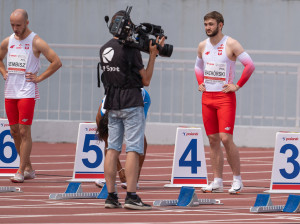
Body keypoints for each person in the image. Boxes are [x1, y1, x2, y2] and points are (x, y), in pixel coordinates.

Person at [100, 10, 164, 210]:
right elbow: (145, 80)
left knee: (112, 149)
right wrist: (153, 56)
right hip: (131, 101)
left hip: (112, 102)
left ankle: (111, 197)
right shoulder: (131, 50)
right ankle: (131, 196)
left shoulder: (104, 48)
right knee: (134, 149)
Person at [194, 11, 255, 194]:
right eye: (205, 24)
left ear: (220, 25)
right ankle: (217, 181)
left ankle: (237, 180)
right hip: (207, 98)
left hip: (224, 97)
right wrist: (200, 82)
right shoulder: (202, 45)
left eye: (211, 24)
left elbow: (250, 65)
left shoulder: (231, 43)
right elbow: (198, 66)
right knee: (213, 140)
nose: (208, 28)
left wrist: (237, 86)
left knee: (226, 138)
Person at [0, 9, 62, 183]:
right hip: (10, 91)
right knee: (13, 131)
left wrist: (39, 78)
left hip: (26, 91)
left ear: (27, 23)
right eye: (12, 24)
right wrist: (4, 71)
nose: (15, 28)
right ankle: (28, 168)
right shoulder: (8, 41)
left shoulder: (36, 41)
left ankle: (20, 170)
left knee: (23, 130)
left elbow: (56, 61)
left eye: (18, 25)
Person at [94, 88, 151, 189]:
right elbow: (108, 145)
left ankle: (134, 179)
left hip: (138, 101)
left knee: (137, 139)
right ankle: (109, 178)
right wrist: (120, 171)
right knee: (111, 146)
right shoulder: (100, 115)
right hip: (119, 99)